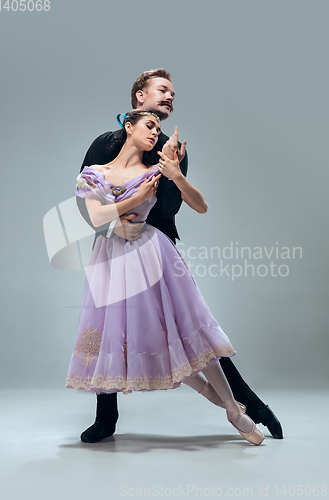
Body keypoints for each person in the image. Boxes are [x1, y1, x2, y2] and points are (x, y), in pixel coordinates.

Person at [75, 69, 283, 442]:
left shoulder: (171, 152)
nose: (170, 97)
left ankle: (246, 405)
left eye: (173, 93)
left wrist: (168, 171)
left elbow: (170, 208)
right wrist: (116, 222)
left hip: (155, 249)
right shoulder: (104, 146)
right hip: (112, 247)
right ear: (139, 96)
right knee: (112, 329)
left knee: (190, 330)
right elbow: (84, 206)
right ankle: (106, 416)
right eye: (162, 90)